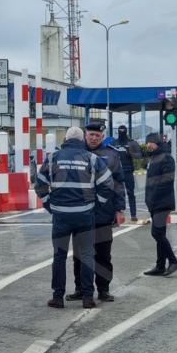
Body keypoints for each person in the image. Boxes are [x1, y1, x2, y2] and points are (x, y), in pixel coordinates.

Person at [35, 126, 115, 309]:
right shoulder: (91, 158)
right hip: (85, 215)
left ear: (65, 140)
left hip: (61, 216)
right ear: (82, 140)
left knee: (59, 257)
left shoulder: (52, 157)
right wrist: (97, 205)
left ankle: (57, 297)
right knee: (87, 255)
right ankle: (88, 297)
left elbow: (39, 184)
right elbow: (108, 184)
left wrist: (49, 205)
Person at [63, 123, 124, 303]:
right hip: (81, 212)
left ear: (102, 136)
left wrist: (119, 209)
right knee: (80, 255)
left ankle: (103, 290)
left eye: (98, 135)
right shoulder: (76, 154)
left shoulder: (111, 155)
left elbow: (119, 183)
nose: (94, 138)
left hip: (103, 212)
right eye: (91, 135)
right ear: (85, 136)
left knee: (103, 253)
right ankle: (80, 289)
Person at [142, 133, 177, 276]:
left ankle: (173, 261)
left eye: (150, 142)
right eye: (147, 143)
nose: (148, 145)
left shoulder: (166, 157)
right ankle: (160, 266)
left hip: (162, 202)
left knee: (156, 233)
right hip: (154, 202)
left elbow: (167, 181)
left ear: (157, 143)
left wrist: (154, 197)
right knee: (160, 234)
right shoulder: (153, 158)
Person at [110, 125, 144, 222]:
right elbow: (108, 154)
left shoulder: (132, 143)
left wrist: (130, 154)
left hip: (128, 170)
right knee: (116, 193)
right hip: (116, 171)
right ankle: (117, 213)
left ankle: (133, 214)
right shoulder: (114, 143)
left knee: (130, 193)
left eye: (123, 131)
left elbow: (140, 154)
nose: (121, 132)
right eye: (120, 131)